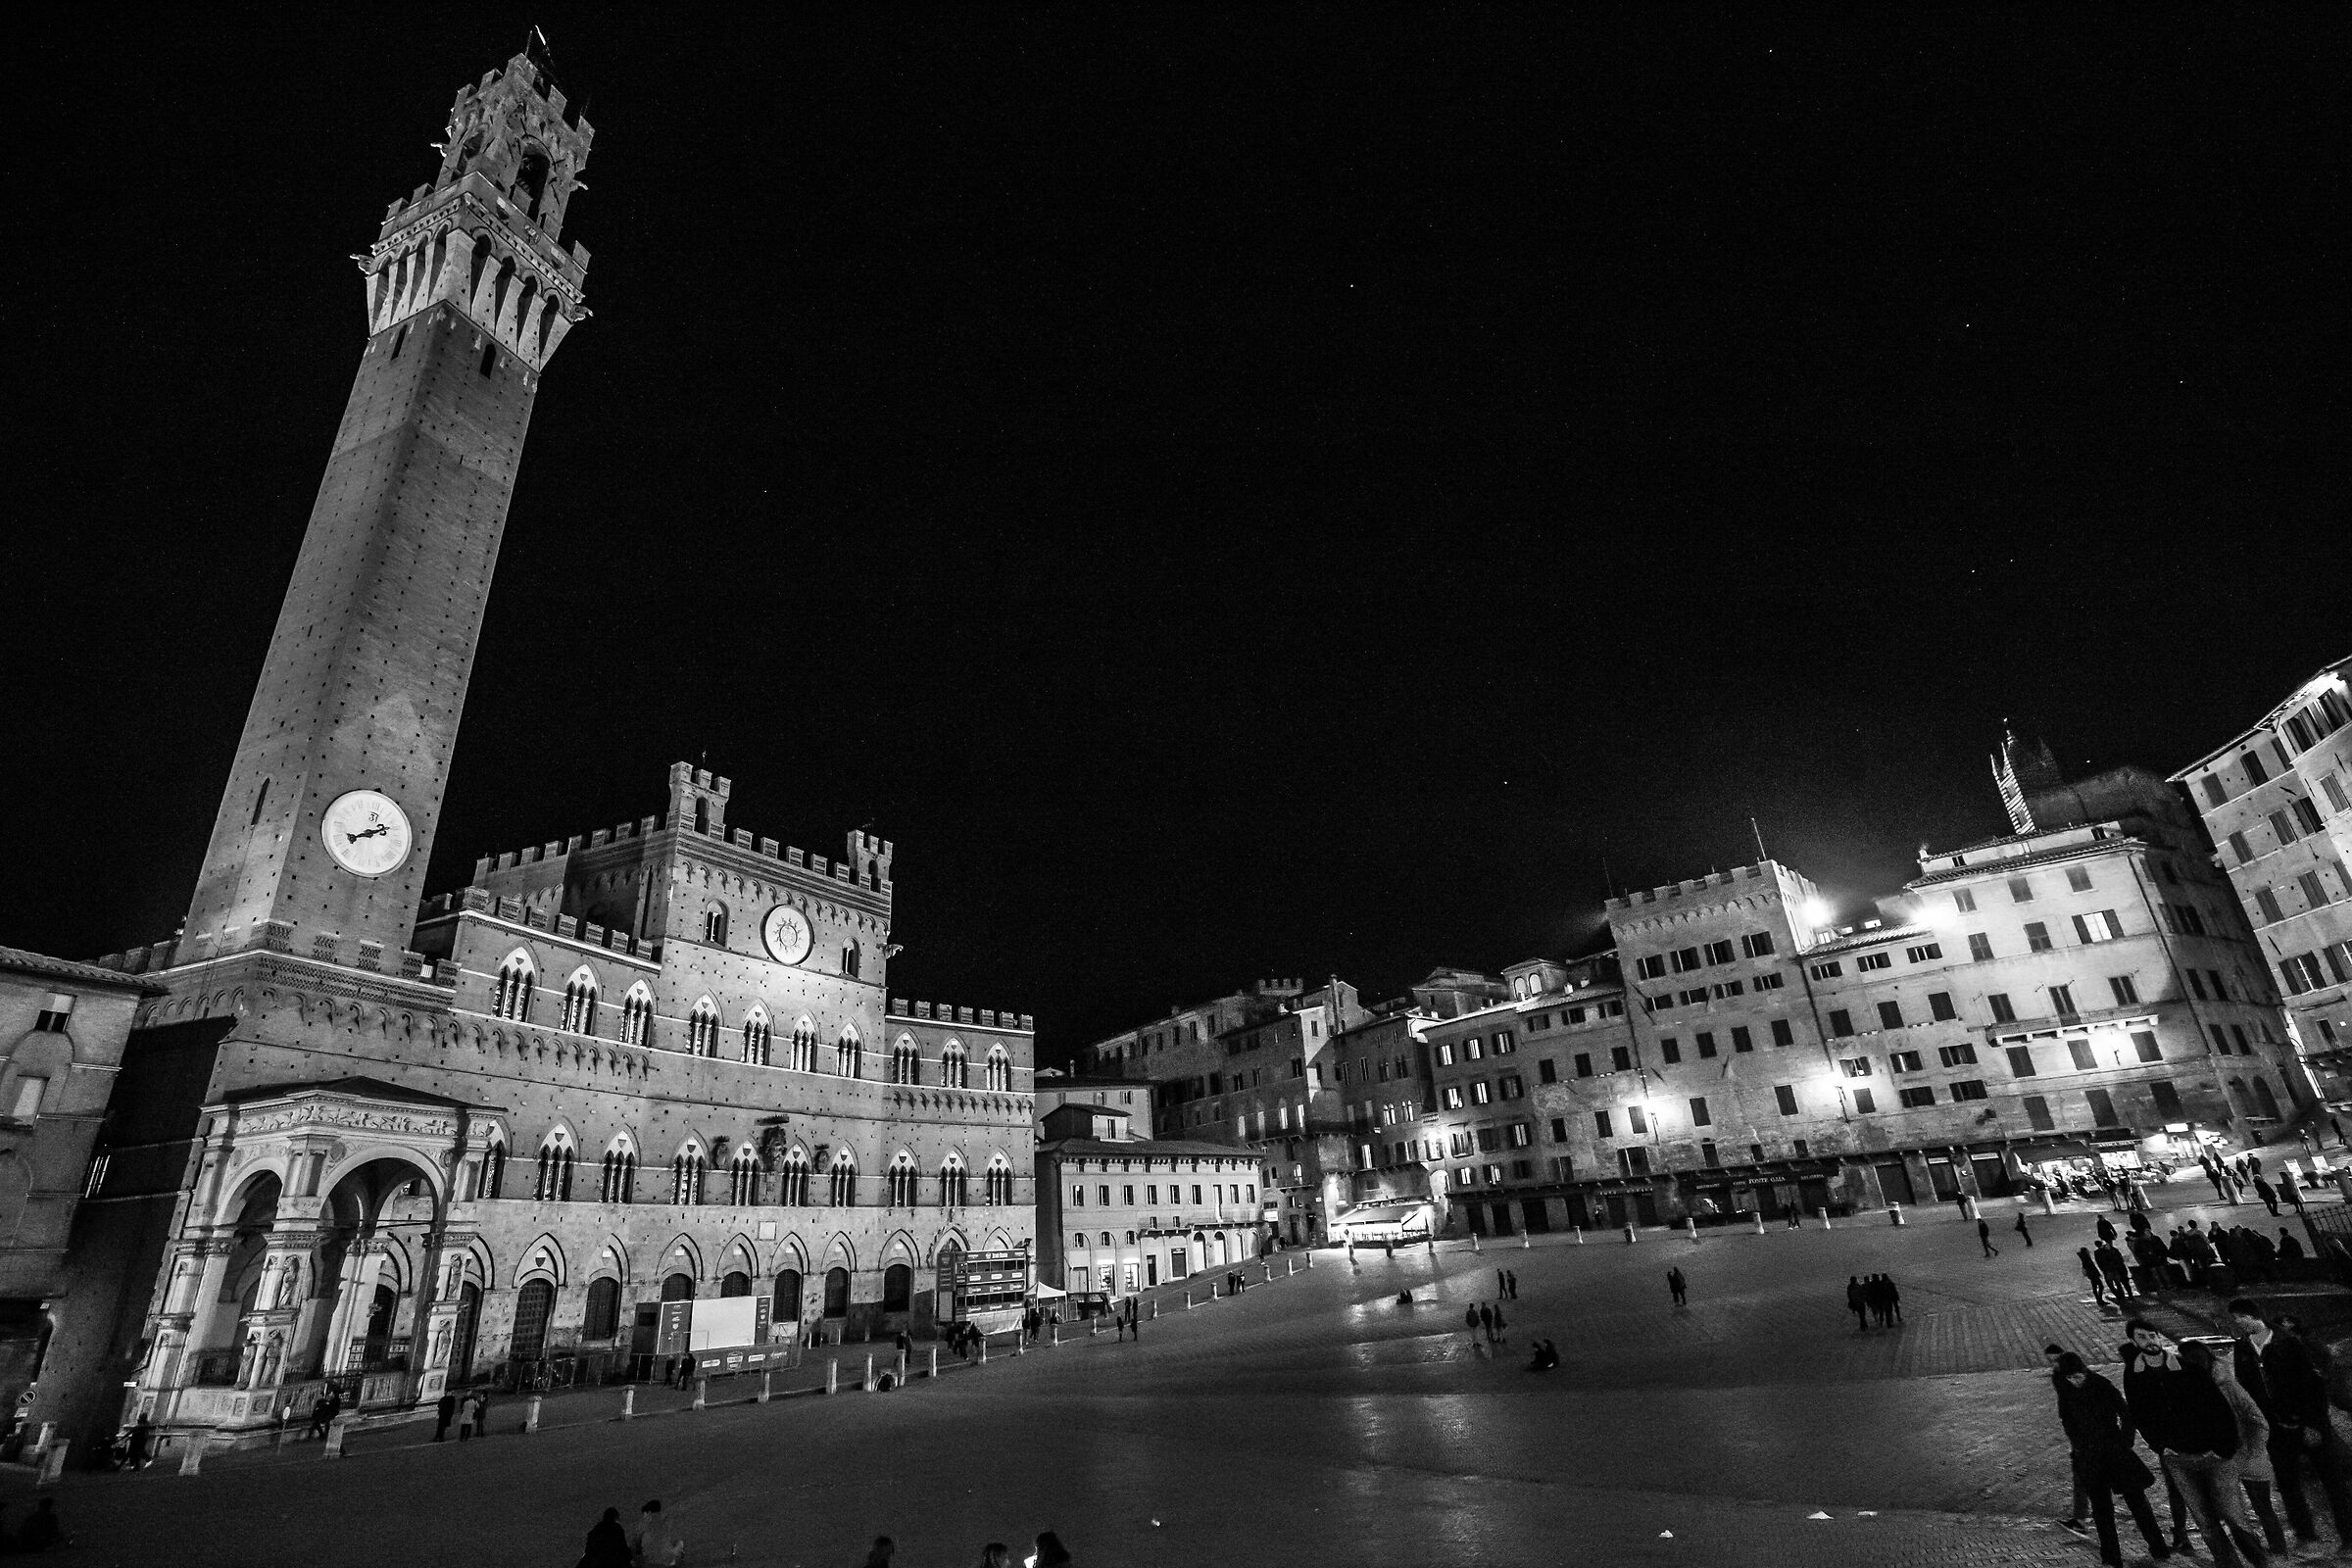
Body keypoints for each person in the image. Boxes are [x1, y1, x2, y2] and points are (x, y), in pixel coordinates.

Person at [2230, 1297, 2352, 1550]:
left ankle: (2348, 1535)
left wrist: (2314, 1425)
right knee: (2287, 1484)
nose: (2236, 1324)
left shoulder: (2288, 1342)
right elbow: (2247, 1389)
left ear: (2251, 1315)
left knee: (2333, 1482)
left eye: (2238, 1318)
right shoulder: (2243, 1349)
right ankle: (2306, 1535)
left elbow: (2312, 1386)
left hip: (2307, 1425)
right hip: (2276, 1430)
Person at [2052, 1350, 2169, 1565]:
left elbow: (2125, 1413)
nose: (2075, 1380)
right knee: (2102, 1509)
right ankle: (2112, 1556)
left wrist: (2125, 1442)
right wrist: (2079, 1446)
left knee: (2137, 1502)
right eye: (2070, 1377)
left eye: (2076, 1376)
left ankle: (2158, 1548)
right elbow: (2067, 1422)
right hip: (2090, 1455)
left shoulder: (2099, 1384)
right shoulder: (2065, 1389)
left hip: (2114, 1451)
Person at [2169, 1340, 2269, 1567]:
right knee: (2208, 1520)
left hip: (2226, 1456)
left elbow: (2257, 1420)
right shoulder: (2182, 1385)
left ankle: (2261, 1561)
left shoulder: (2224, 1384)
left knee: (2234, 1515)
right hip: (2190, 1456)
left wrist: (2246, 1454)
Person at [633, 1499, 684, 1566]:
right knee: (680, 1542)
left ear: (649, 1512)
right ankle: (677, 1562)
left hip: (648, 1560)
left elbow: (637, 1543)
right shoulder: (667, 1520)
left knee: (634, 1547)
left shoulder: (643, 1523)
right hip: (666, 1559)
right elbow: (673, 1537)